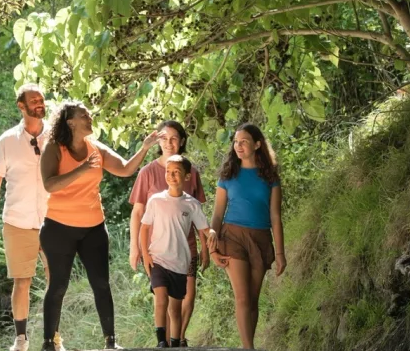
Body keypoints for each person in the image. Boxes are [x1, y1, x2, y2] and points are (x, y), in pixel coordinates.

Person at [39, 101, 160, 351]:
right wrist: (81, 170)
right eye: (84, 115)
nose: (89, 118)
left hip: (93, 227)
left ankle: (111, 342)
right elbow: (49, 184)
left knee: (101, 283)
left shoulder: (96, 149)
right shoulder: (54, 147)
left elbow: (126, 169)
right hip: (58, 227)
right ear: (70, 121)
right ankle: (48, 343)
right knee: (59, 285)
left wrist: (146, 147)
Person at [0, 84, 64, 351]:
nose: (40, 103)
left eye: (41, 99)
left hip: (53, 220)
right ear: (21, 106)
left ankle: (53, 338)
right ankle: (21, 340)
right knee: (22, 280)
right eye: (34, 100)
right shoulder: (7, 140)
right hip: (18, 221)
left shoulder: (55, 138)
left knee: (56, 280)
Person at [128, 120, 208, 347]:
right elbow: (138, 212)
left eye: (174, 138)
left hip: (186, 246)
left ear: (182, 141)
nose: (169, 143)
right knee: (162, 297)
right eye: (164, 138)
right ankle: (166, 342)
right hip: (158, 248)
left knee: (186, 297)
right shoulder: (148, 172)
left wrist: (205, 247)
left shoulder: (191, 172)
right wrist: (135, 247)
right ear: (157, 141)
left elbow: (197, 212)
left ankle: (179, 339)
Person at [208, 123, 287, 350]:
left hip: (261, 239)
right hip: (232, 236)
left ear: (257, 144)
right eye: (235, 142)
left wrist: (280, 253)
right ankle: (248, 348)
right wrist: (213, 248)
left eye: (243, 141)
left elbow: (275, 217)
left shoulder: (270, 177)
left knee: (253, 300)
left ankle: (247, 345)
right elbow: (217, 215)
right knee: (242, 298)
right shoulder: (228, 176)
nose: (238, 146)